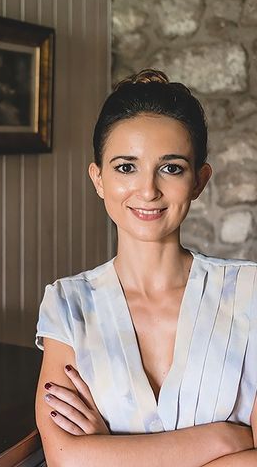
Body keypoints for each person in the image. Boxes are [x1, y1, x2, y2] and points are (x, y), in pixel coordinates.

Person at [34, 69, 257, 466]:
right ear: (98, 178)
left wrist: (112, 454)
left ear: (199, 181)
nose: (148, 189)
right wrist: (224, 441)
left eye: (171, 168)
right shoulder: (68, 305)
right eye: (125, 167)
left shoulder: (251, 293)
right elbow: (67, 459)